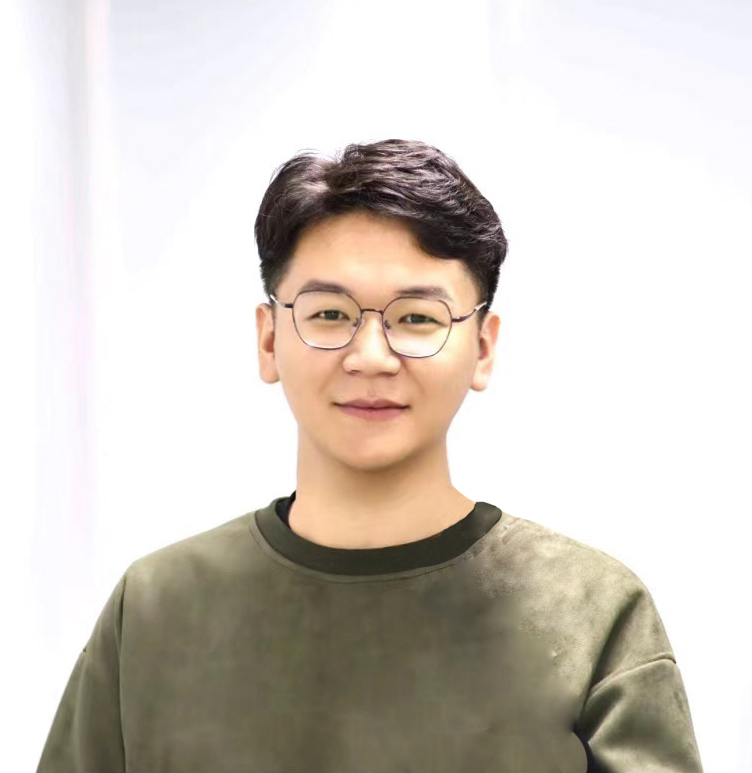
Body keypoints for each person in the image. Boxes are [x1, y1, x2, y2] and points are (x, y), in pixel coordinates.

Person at [37, 139, 703, 772]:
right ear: (269, 340)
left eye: (417, 318)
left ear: (483, 347)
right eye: (330, 314)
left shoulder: (590, 612)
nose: (371, 357)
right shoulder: (155, 610)